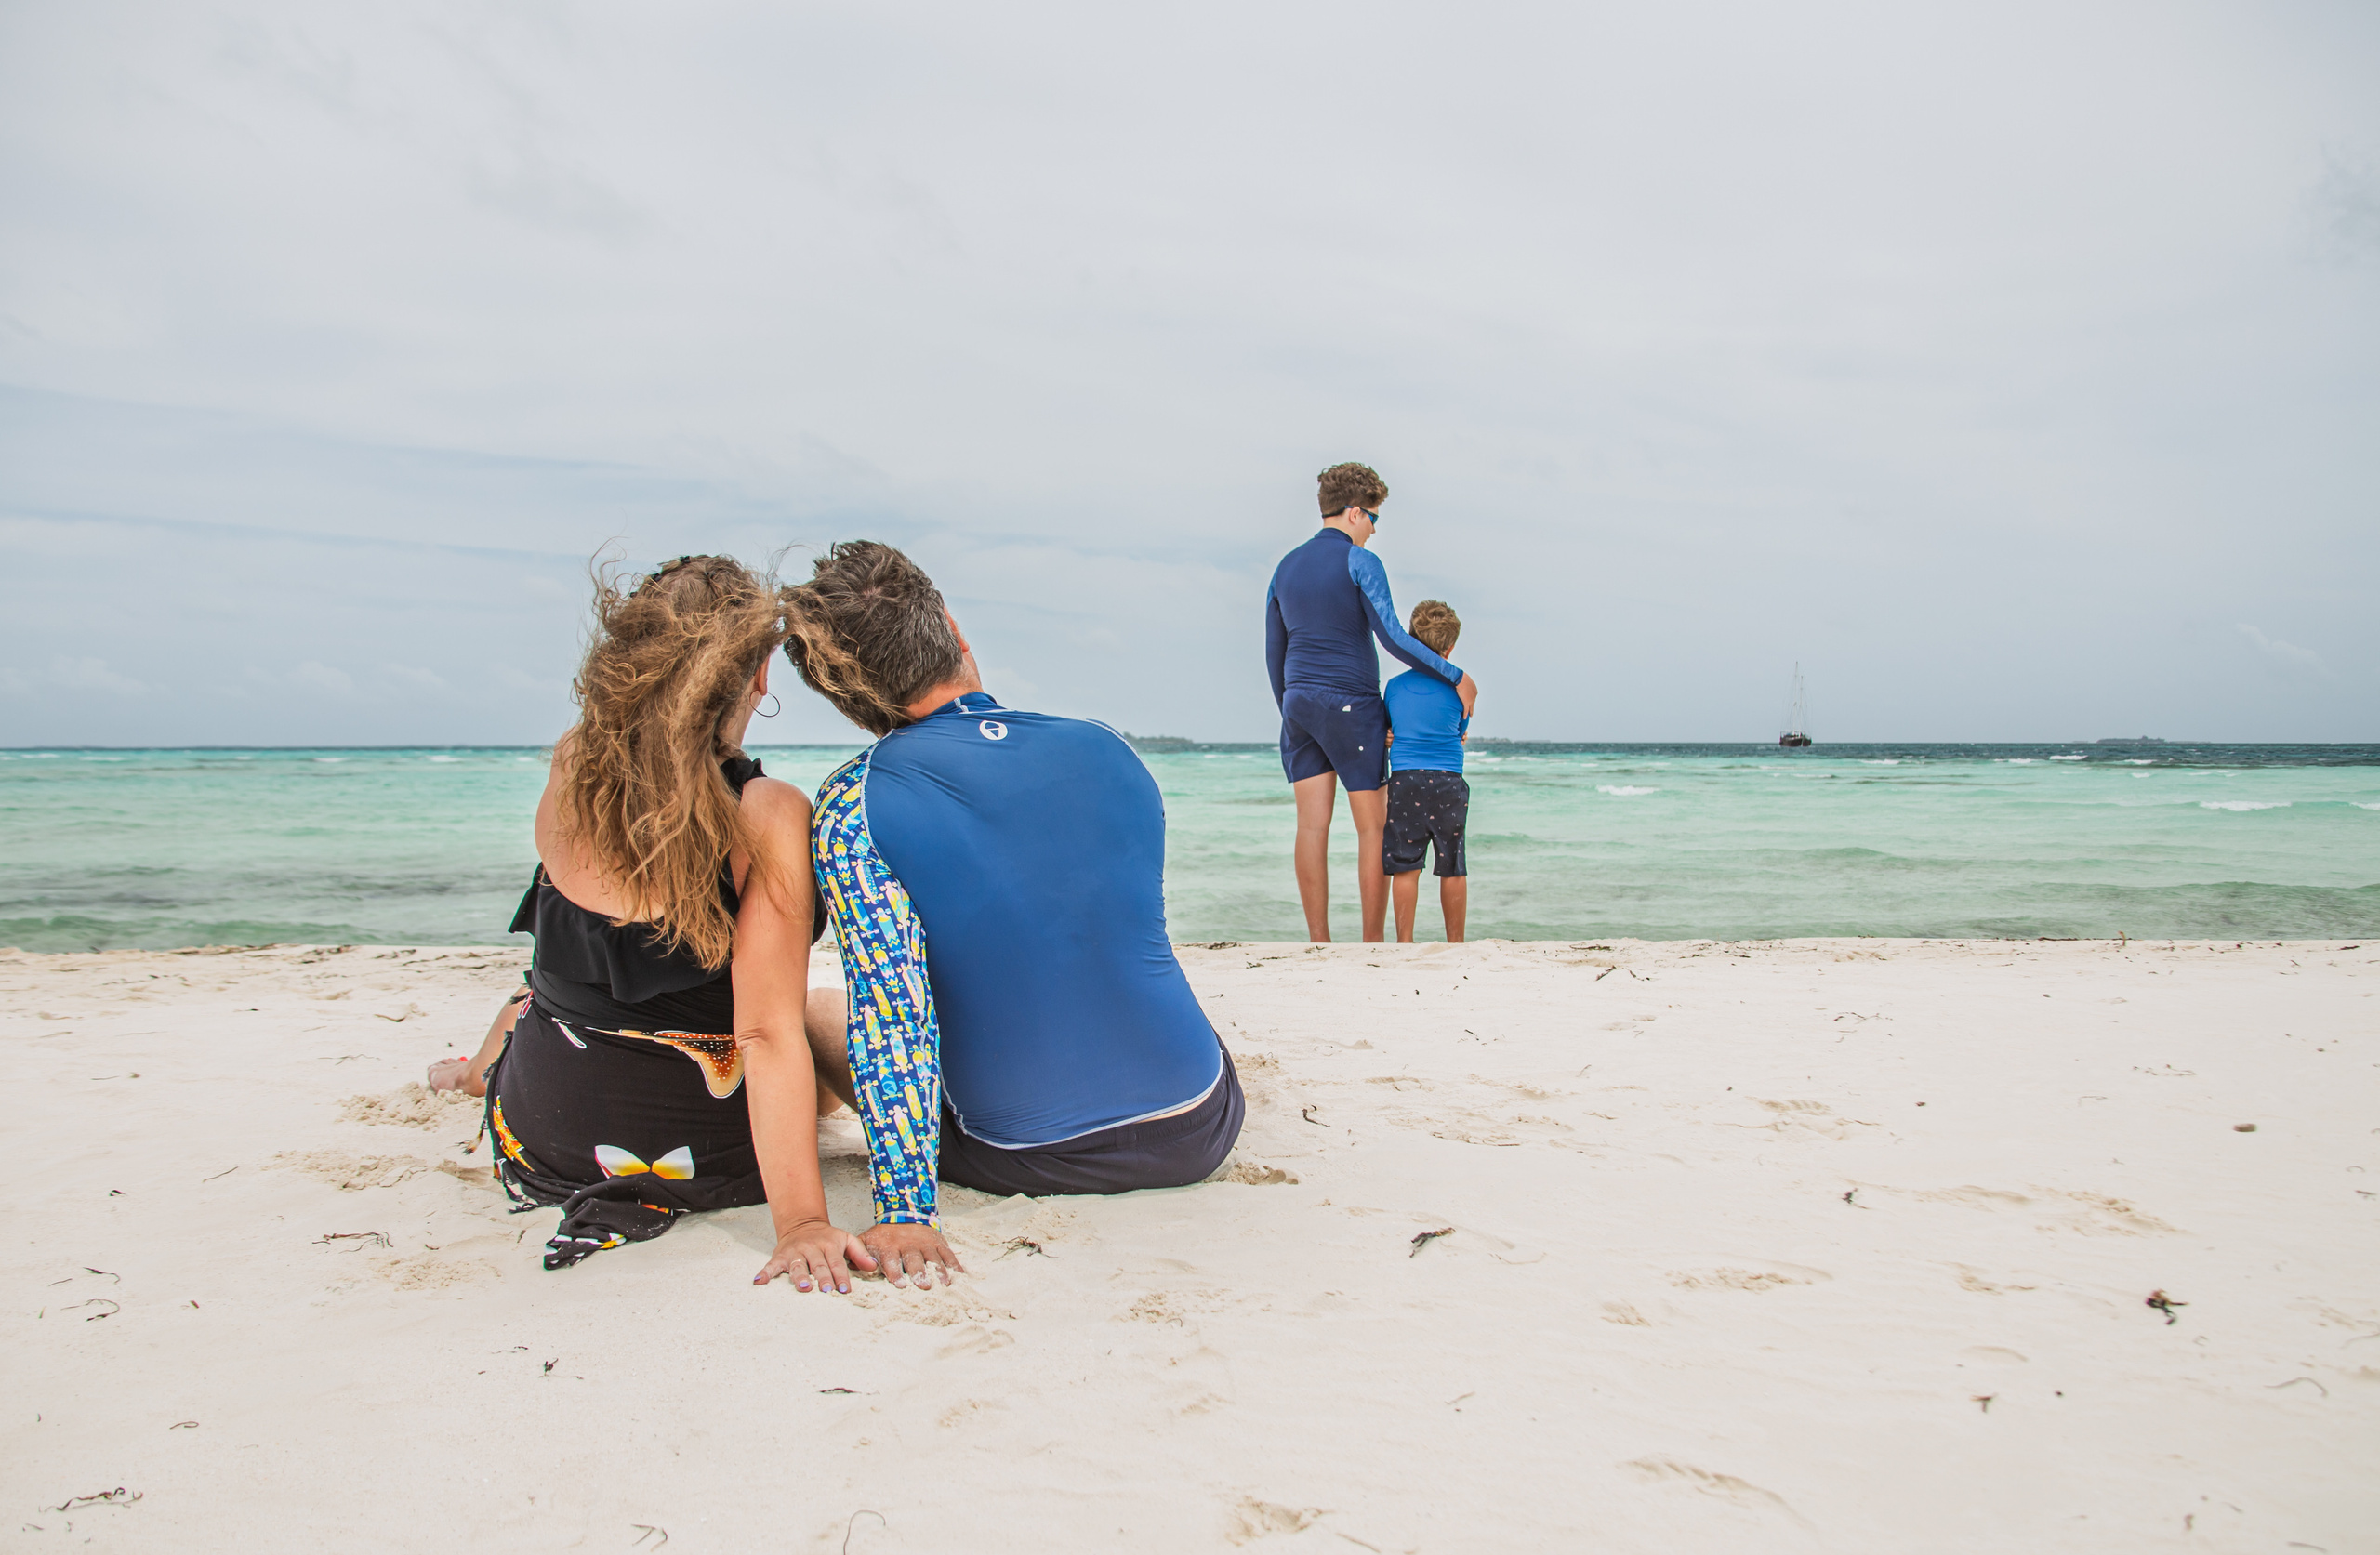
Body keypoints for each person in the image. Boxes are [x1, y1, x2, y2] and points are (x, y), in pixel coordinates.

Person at [780, 540, 1244, 1283]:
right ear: (955, 630)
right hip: (1201, 1120)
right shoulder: (1110, 748)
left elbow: (893, 1013)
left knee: (816, 1012)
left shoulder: (853, 803)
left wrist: (905, 1209)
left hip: (1021, 1151)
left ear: (847, 700)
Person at [428, 555, 876, 1291]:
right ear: (761, 674)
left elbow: (552, 943)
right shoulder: (766, 816)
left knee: (546, 994)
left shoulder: (574, 762)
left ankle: (479, 1074)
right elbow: (763, 1035)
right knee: (814, 1014)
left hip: (544, 1130)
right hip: (693, 1146)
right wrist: (801, 1225)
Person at [1265, 462, 1477, 942]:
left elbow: (1273, 651)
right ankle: (1371, 943)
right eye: (1375, 518)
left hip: (1298, 704)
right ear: (1355, 512)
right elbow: (1394, 639)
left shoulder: (1285, 567)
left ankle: (1319, 940)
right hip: (1351, 705)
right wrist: (1455, 675)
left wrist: (1292, 709)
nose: (1375, 529)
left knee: (1311, 828)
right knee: (1372, 828)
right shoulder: (1359, 561)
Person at [1382, 600, 1471, 943]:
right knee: (1452, 864)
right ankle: (1456, 943)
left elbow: (1390, 726)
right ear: (1450, 647)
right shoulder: (1458, 688)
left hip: (1405, 780)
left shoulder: (1394, 687)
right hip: (1448, 780)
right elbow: (1459, 729)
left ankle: (1404, 942)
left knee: (1406, 863)